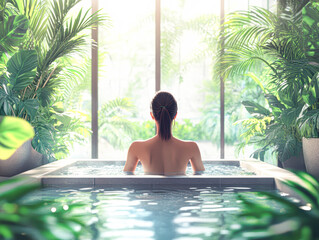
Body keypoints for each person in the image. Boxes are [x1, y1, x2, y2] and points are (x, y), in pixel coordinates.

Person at [124, 91, 205, 175]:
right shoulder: (192, 147)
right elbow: (202, 180)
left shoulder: (136, 147)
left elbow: (126, 180)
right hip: (179, 189)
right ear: (175, 115)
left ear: (152, 115)